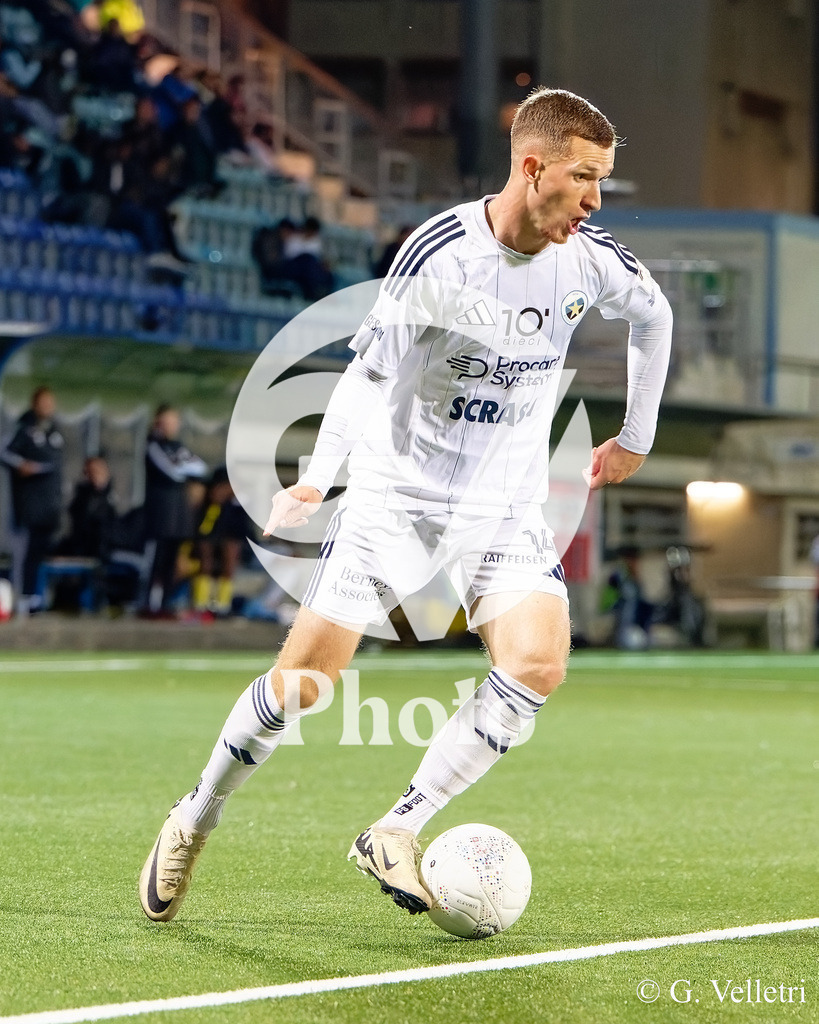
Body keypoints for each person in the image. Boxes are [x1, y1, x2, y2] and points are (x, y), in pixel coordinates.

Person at [139, 88, 673, 922]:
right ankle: (195, 815)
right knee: (305, 685)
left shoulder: (590, 257)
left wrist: (635, 434)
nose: (596, 201)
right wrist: (318, 477)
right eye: (583, 179)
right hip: (398, 495)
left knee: (536, 663)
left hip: (501, 507)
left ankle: (397, 826)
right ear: (532, 169)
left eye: (602, 181)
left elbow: (654, 315)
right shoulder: (441, 257)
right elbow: (366, 378)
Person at [0, 386, 64, 612]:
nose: (48, 407)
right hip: (29, 506)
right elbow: (5, 452)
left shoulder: (54, 432)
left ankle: (34, 596)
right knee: (24, 554)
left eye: (51, 402)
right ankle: (20, 598)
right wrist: (21, 465)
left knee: (40, 553)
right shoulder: (24, 428)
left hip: (49, 506)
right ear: (34, 404)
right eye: (43, 402)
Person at [141, 405, 207, 615]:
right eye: (168, 420)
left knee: (171, 562)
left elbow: (200, 467)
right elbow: (172, 471)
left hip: (178, 517)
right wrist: (183, 467)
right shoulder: (153, 445)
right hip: (159, 516)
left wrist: (183, 465)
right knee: (156, 561)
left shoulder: (178, 447)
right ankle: (147, 605)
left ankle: (164, 605)